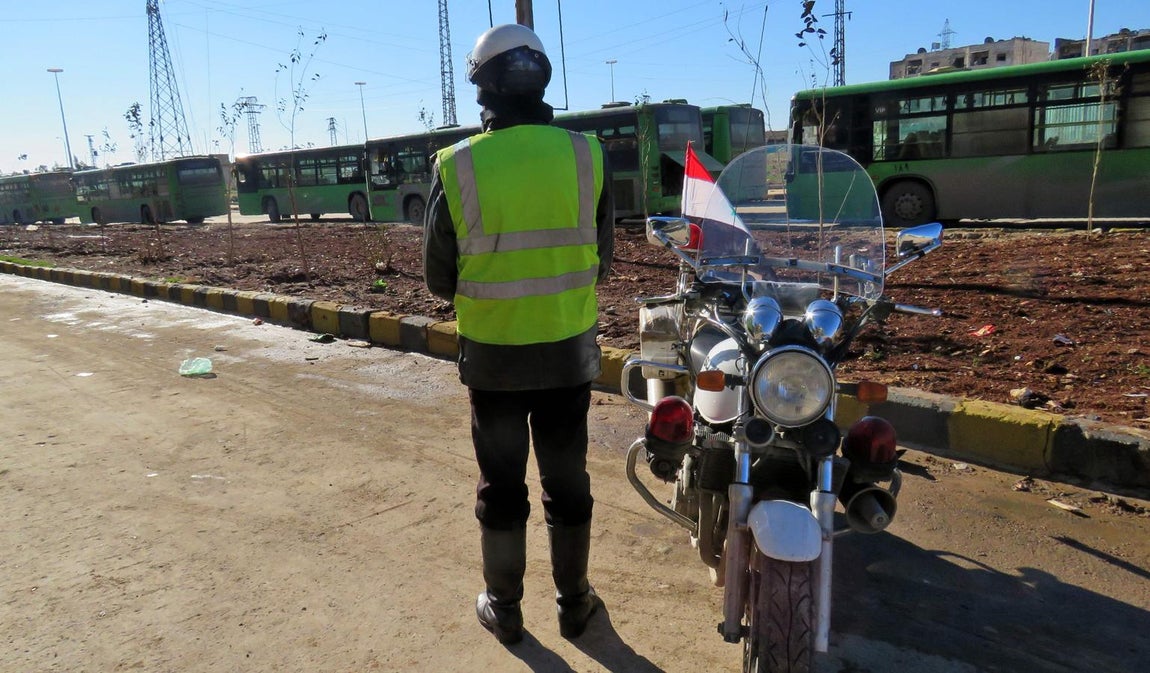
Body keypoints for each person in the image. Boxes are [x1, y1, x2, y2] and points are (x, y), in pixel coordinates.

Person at [422, 23, 614, 645]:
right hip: (567, 353)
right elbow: (602, 257)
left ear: (485, 89)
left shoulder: (457, 165)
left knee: (501, 484)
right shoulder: (587, 154)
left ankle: (504, 608)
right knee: (567, 483)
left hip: (494, 360)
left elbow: (437, 276)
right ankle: (575, 602)